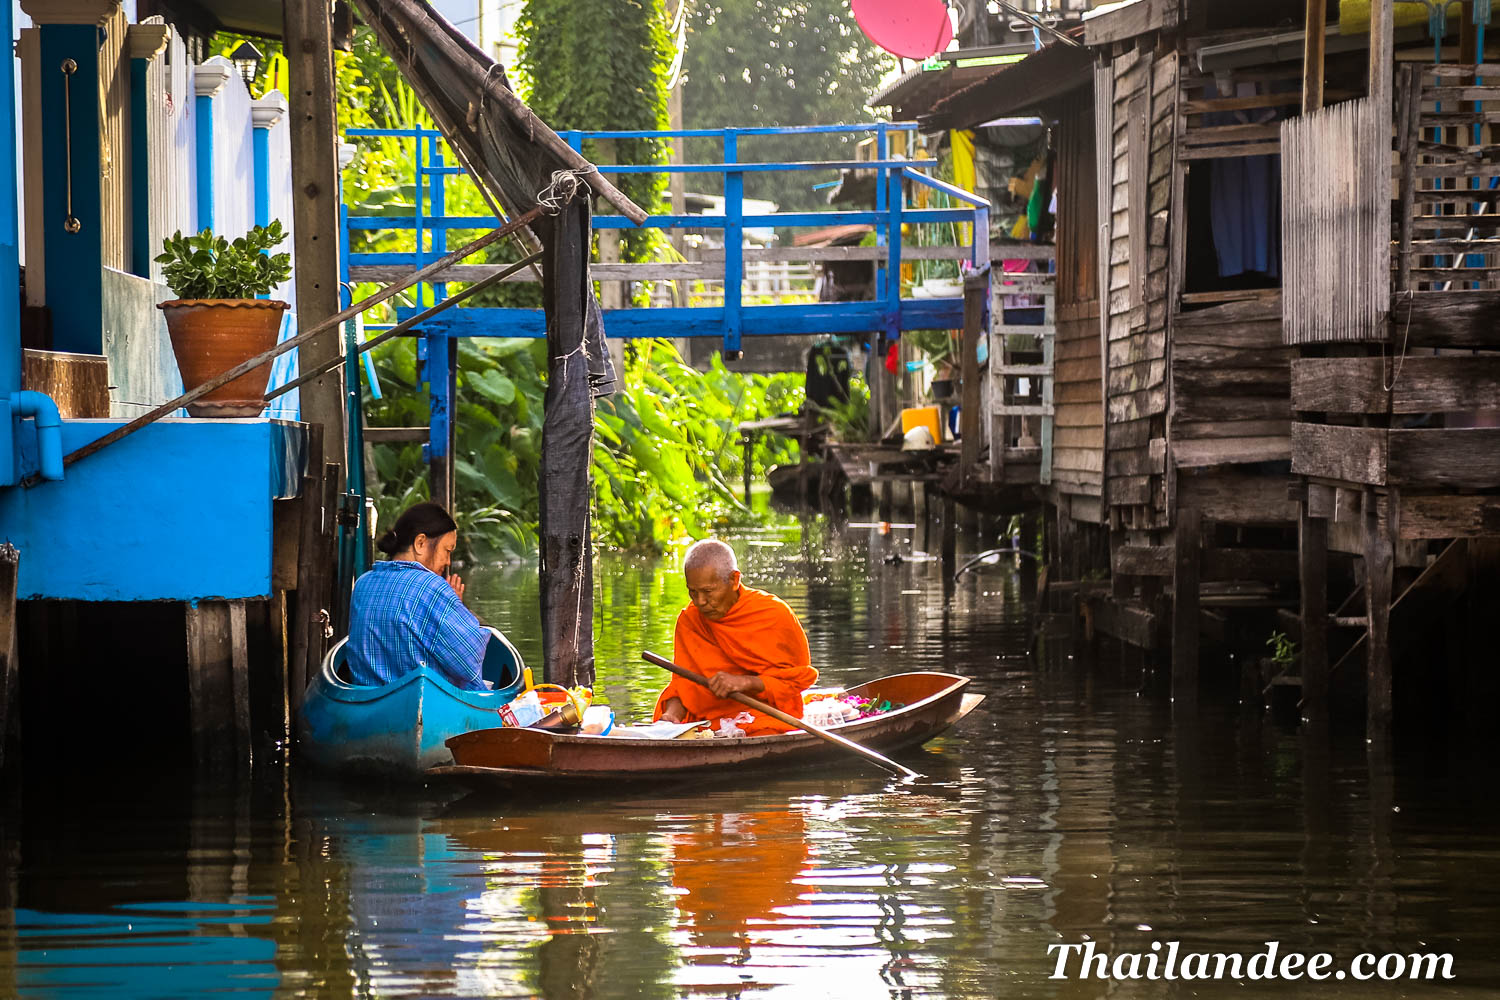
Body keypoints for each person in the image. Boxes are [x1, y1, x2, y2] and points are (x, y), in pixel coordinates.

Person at [653, 539, 817, 736]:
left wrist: (744, 683)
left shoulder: (773, 614)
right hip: (707, 724)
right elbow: (683, 686)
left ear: (734, 580)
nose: (700, 602)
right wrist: (672, 717)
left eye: (707, 592)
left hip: (764, 717)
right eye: (692, 592)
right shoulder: (690, 620)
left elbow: (798, 680)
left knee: (766, 732)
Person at [346, 502, 492, 691]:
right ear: (420, 543)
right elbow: (469, 664)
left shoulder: (363, 583)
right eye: (447, 551)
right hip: (426, 700)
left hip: (368, 700)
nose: (448, 562)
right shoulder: (433, 587)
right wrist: (456, 607)